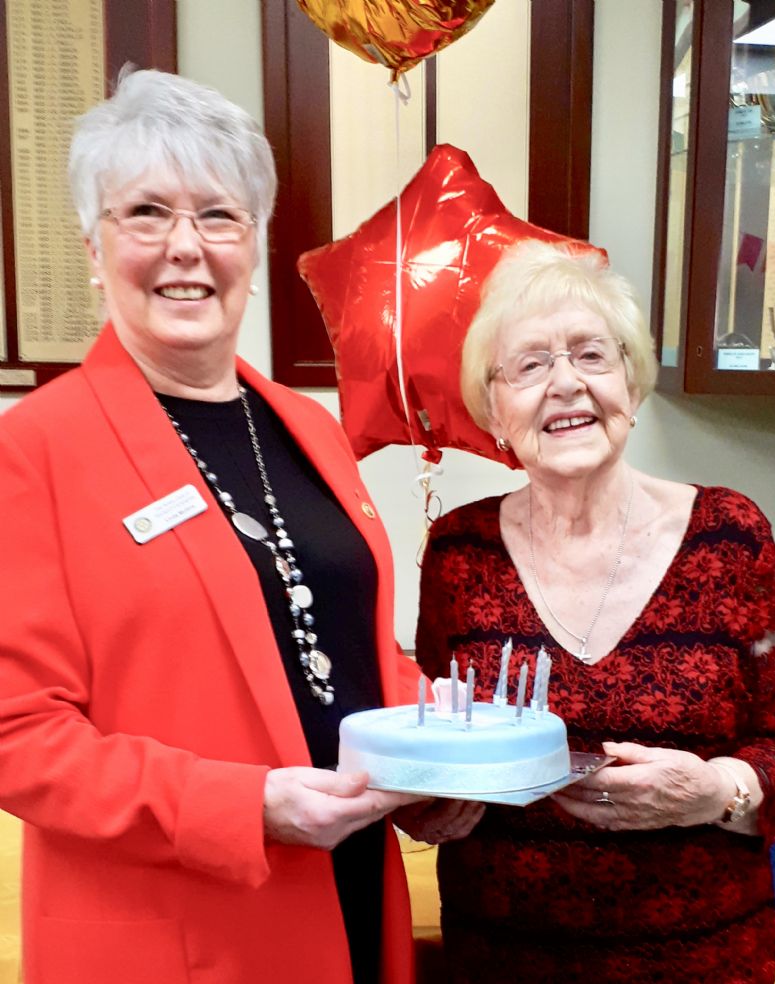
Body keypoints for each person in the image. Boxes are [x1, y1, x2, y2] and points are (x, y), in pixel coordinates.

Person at [0, 69, 481, 984]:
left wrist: (441, 754)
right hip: (175, 928)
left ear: (253, 245)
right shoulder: (33, 452)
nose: (187, 248)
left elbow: (344, 644)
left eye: (218, 216)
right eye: (146, 213)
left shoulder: (309, 429)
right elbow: (16, 735)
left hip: (348, 892)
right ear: (94, 250)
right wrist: (241, 806)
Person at [416, 239, 775, 983]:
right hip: (500, 961)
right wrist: (422, 809)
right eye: (530, 366)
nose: (566, 385)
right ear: (494, 407)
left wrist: (715, 791)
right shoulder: (458, 551)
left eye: (592, 355)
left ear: (631, 380)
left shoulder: (731, 538)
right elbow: (436, 734)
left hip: (703, 961)